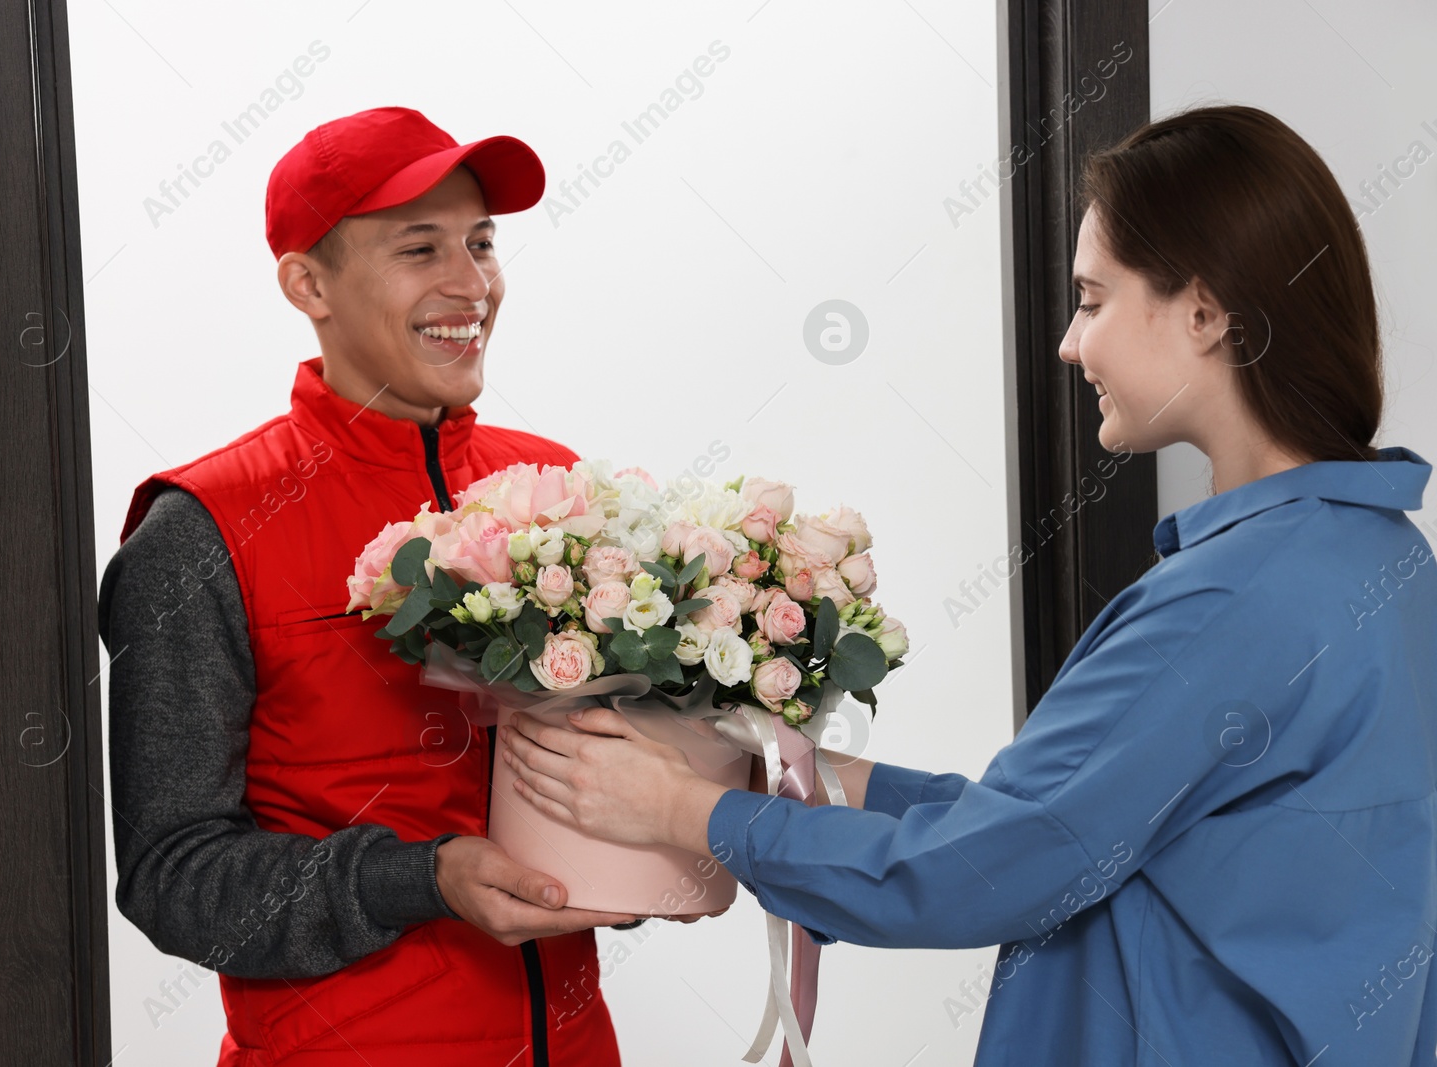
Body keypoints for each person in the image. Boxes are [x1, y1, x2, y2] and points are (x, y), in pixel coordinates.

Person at [499, 104, 1437, 1064]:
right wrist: (801, 774)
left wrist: (686, 813)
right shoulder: (1378, 558)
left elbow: (1000, 865)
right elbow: (1066, 816)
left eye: (1093, 299)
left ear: (1203, 312)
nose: (1072, 344)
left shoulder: (1238, 597)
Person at [99, 107, 649, 1067]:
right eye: (419, 247)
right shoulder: (202, 529)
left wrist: (662, 832)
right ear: (307, 283)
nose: (470, 284)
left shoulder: (559, 489)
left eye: (481, 243)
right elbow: (174, 878)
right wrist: (423, 880)